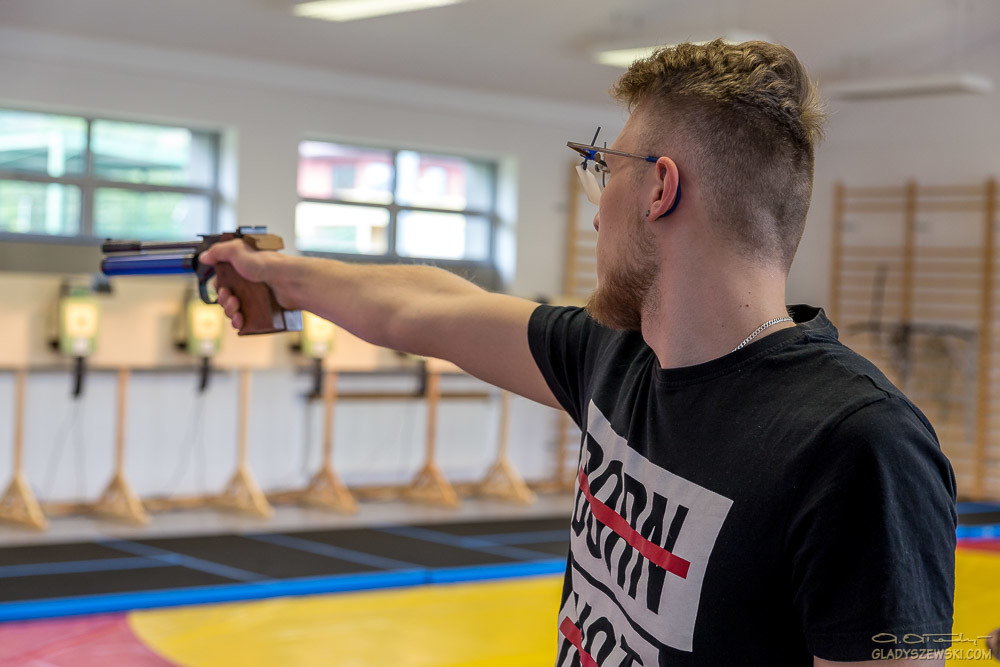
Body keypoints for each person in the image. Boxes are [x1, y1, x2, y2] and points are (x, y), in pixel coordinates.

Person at [201, 39, 956, 666]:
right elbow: (425, 306)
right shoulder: (618, 357)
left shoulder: (860, 446)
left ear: (660, 189)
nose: (596, 212)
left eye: (606, 171)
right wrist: (279, 277)